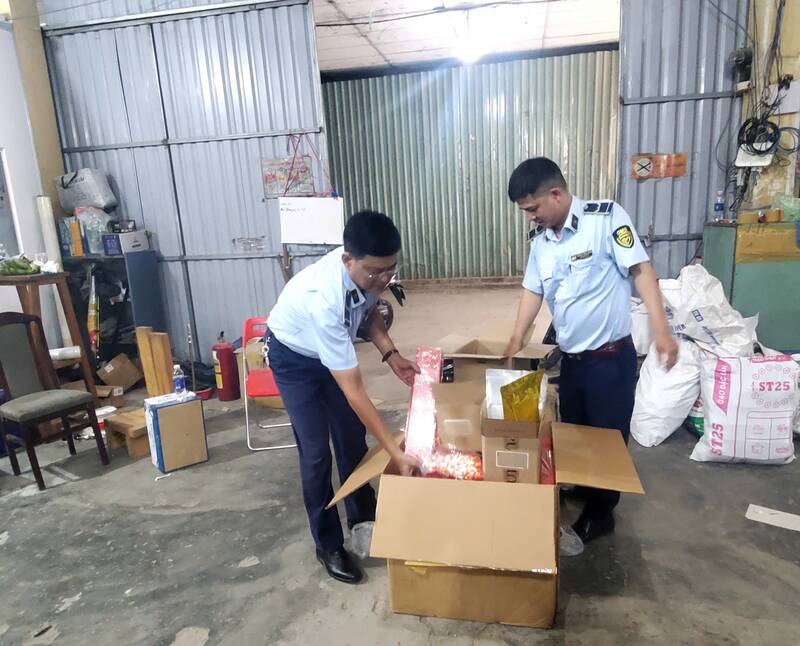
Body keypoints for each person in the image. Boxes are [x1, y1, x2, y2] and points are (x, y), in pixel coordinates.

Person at [503, 157, 678, 543]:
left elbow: (641, 271)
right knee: (578, 434)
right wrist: (517, 336)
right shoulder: (542, 243)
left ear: (556, 193)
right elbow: (533, 290)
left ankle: (602, 514)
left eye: (533, 209)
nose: (530, 217)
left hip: (609, 359)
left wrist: (661, 329)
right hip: (574, 361)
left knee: (607, 439)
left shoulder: (606, 220)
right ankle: (586, 488)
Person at [266, 210, 420, 584]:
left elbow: (369, 315)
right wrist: (394, 451)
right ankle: (328, 543)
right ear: (347, 259)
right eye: (375, 272)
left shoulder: (366, 273)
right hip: (295, 359)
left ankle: (364, 518)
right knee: (317, 451)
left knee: (351, 438)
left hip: (327, 353)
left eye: (391, 270)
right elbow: (354, 390)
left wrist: (392, 355)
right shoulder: (325, 298)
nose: (383, 279)